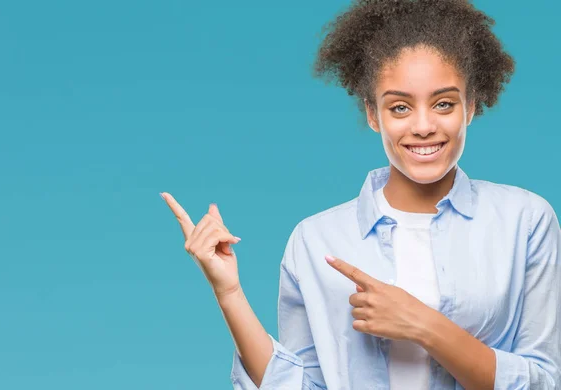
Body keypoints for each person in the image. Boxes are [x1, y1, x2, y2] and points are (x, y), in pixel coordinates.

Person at [161, 0, 560, 388]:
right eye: (399, 108)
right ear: (373, 114)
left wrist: (424, 325)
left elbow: (544, 380)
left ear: (470, 106)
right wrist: (228, 292)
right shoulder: (316, 240)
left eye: (443, 103)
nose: (423, 126)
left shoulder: (524, 221)